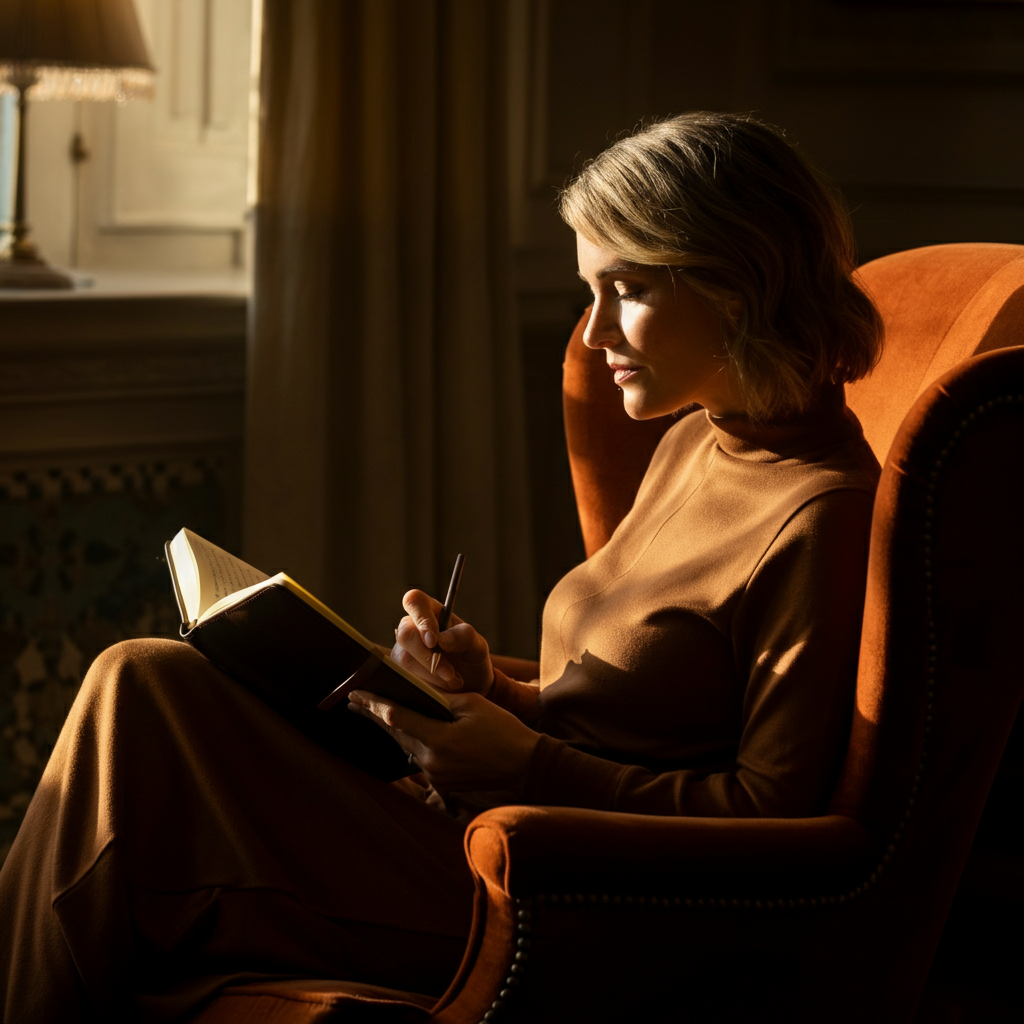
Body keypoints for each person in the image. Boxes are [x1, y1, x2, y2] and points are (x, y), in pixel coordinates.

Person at [0, 111, 883, 1022]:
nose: (590, 334)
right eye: (588, 291)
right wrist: (488, 689)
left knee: (135, 785)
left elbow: (772, 820)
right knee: (149, 678)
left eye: (624, 289)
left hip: (568, 900)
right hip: (476, 830)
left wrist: (528, 767)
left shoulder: (821, 512)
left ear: (739, 283)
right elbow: (630, 716)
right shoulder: (697, 436)